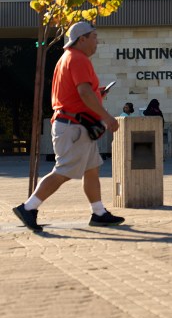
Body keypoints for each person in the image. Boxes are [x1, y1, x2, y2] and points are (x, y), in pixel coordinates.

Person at [12, 21, 123, 232]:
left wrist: (98, 93)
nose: (97, 42)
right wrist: (107, 117)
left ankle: (98, 212)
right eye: (94, 37)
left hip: (74, 125)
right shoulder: (78, 59)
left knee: (91, 169)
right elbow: (84, 93)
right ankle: (28, 207)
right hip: (74, 127)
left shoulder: (68, 58)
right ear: (82, 39)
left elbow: (80, 93)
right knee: (63, 171)